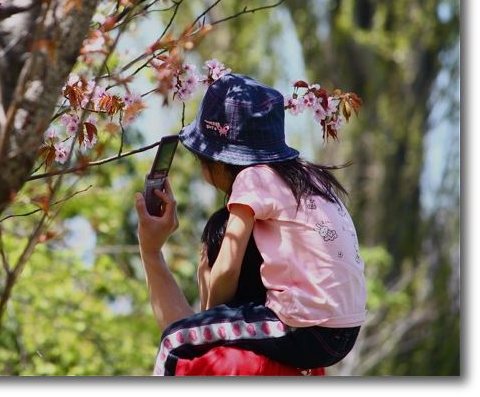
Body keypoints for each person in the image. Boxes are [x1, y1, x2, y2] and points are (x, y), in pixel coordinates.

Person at [135, 73, 366, 376]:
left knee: (175, 342)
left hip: (302, 325)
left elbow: (229, 266)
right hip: (343, 331)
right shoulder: (308, 179)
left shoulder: (252, 177)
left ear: (219, 161)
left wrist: (209, 318)